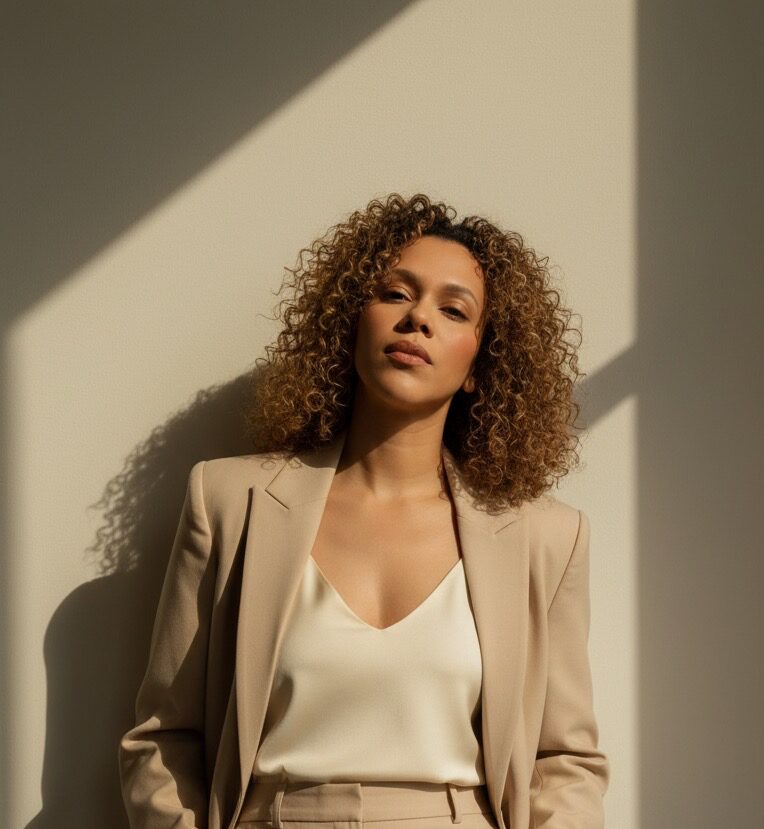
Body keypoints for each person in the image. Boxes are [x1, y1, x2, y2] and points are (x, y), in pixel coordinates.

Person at [118, 193, 610, 829]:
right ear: (350, 323)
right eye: (394, 294)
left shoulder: (546, 537)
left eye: (453, 309)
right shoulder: (229, 502)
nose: (418, 319)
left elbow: (563, 759)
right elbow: (164, 738)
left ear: (479, 366)